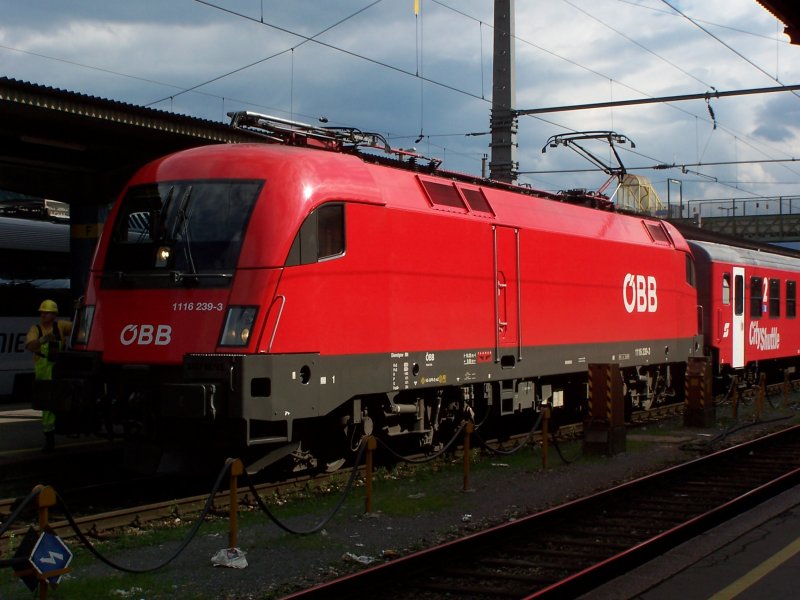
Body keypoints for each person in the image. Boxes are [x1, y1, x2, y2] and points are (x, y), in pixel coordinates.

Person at [25, 299, 72, 452]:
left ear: (54, 315)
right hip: (44, 374)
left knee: (61, 402)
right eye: (42, 312)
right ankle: (49, 438)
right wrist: (43, 339)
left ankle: (63, 428)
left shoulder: (61, 326)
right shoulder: (36, 329)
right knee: (47, 407)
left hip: (59, 371)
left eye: (47, 312)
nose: (43, 315)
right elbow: (31, 346)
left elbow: (79, 328)